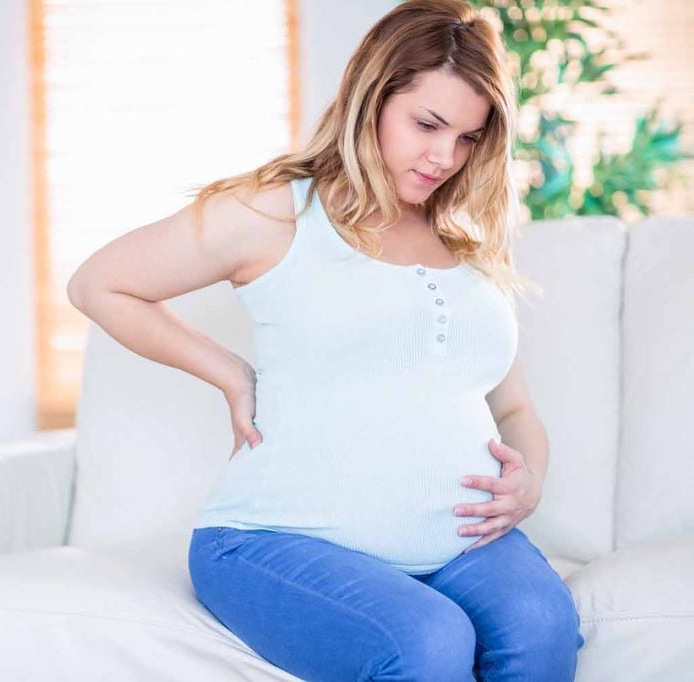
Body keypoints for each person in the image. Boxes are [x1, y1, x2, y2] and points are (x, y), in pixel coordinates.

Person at [66, 0, 585, 679]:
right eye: (426, 124)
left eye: (466, 138)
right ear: (370, 97)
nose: (443, 156)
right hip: (273, 540)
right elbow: (98, 283)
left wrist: (530, 481)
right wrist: (228, 371)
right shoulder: (274, 213)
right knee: (425, 643)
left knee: (543, 628)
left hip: (462, 545)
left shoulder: (469, 244)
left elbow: (512, 408)